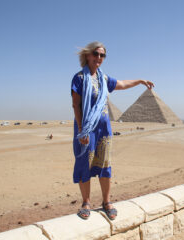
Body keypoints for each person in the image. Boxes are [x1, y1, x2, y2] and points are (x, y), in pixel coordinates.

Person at [71, 41, 154, 220]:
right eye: (96, 54)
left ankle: (106, 201)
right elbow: (76, 105)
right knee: (85, 164)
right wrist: (81, 130)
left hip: (104, 129)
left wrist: (140, 81)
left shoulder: (104, 79)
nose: (99, 58)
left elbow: (123, 84)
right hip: (86, 129)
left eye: (102, 55)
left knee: (104, 165)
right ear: (87, 55)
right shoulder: (79, 78)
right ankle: (86, 202)